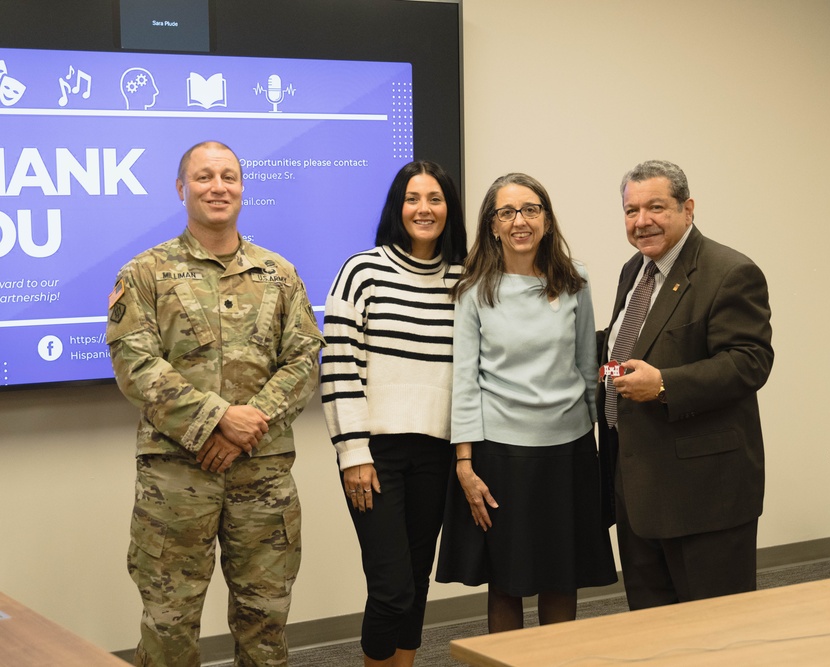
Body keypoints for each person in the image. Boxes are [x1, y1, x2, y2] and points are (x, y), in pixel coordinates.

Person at [107, 140, 324, 666]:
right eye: (204, 177)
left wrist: (251, 424)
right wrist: (217, 421)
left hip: (263, 477)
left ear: (243, 189)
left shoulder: (280, 273)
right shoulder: (145, 273)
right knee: (169, 625)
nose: (217, 187)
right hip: (177, 481)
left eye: (228, 176)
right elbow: (135, 363)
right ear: (182, 189)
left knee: (265, 623)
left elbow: (303, 358)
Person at [436, 173, 617, 633]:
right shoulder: (475, 290)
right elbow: (466, 380)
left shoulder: (576, 281)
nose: (520, 221)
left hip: (569, 450)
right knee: (508, 582)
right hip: (502, 454)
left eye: (531, 209)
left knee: (562, 578)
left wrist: (597, 445)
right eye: (507, 212)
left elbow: (586, 369)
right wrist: (464, 462)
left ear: (547, 220)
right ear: (492, 225)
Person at [596, 159, 773, 611]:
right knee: (653, 628)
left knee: (714, 633)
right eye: (631, 210)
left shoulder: (729, 271)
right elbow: (628, 342)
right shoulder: (633, 270)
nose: (642, 221)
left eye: (656, 207)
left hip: (702, 494)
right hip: (639, 485)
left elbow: (750, 362)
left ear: (688, 209)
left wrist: (664, 386)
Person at [321, 160, 467, 667]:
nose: (423, 209)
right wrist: (353, 454)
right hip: (374, 453)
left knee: (416, 582)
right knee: (391, 588)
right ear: (396, 207)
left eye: (435, 198)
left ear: (450, 208)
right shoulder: (362, 270)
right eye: (412, 198)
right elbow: (339, 368)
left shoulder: (465, 277)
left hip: (438, 449)